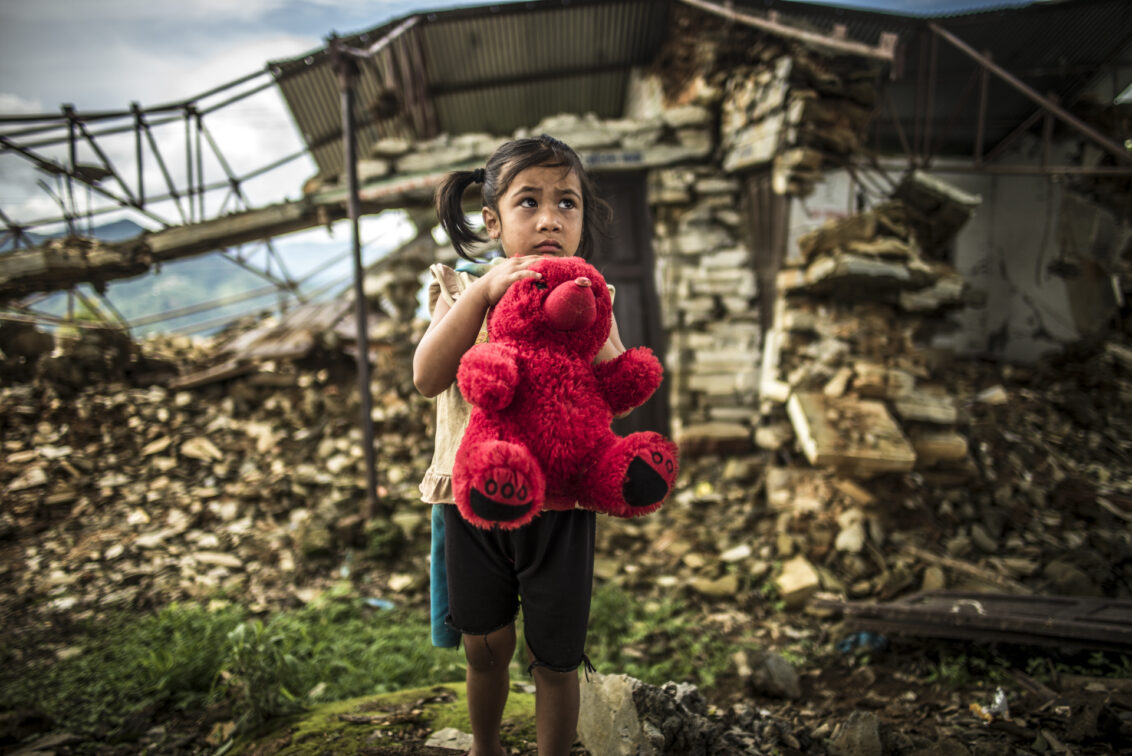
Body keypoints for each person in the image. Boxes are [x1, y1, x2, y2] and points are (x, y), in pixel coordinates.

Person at [413, 134, 623, 756]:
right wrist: (482, 293)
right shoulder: (459, 288)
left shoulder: (592, 294)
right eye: (528, 202)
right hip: (473, 501)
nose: (551, 218)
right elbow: (427, 378)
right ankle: (487, 748)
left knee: (556, 655)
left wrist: (590, 315)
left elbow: (617, 390)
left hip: (562, 505)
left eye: (567, 203)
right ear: (493, 218)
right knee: (487, 646)